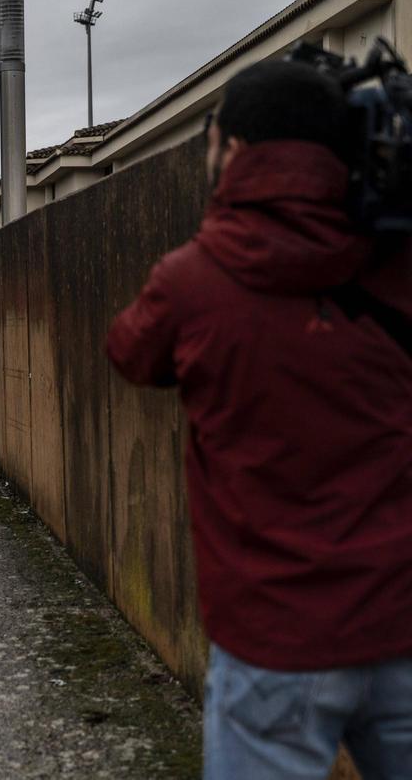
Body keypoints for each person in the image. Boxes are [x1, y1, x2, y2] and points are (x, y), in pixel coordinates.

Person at [106, 60, 412, 780]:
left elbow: (129, 352)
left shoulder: (195, 278)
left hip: (277, 638)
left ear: (236, 153)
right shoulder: (396, 263)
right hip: (401, 615)